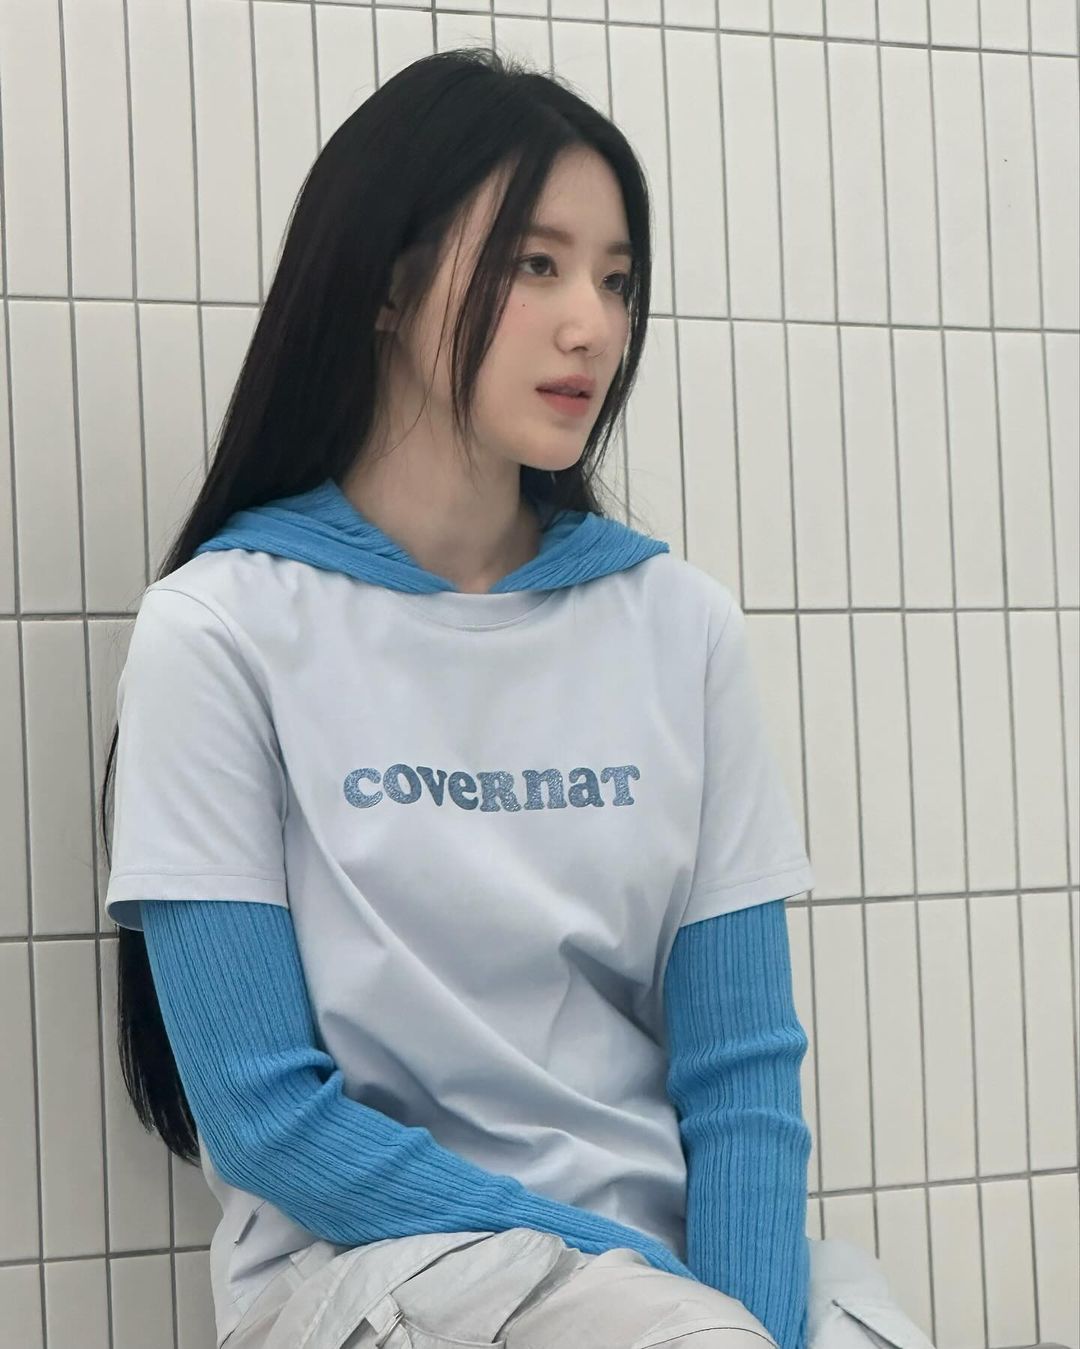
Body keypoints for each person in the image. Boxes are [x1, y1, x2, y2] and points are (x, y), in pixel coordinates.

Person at [101, 47, 939, 1349]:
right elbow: (267, 1120)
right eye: (536, 264)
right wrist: (654, 1288)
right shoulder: (221, 631)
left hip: (667, 1286)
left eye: (616, 278)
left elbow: (741, 1077)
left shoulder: (678, 625)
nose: (591, 325)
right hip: (376, 1270)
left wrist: (738, 1312)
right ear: (388, 285)